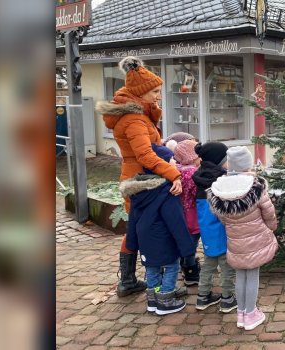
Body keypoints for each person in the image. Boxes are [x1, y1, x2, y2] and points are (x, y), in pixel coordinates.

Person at [96, 56, 182, 297]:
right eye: (154, 91)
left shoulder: (139, 115)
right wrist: (173, 174)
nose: (158, 96)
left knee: (135, 228)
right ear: (141, 93)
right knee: (141, 229)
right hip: (141, 181)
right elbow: (144, 155)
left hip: (139, 177)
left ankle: (128, 279)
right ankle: (134, 279)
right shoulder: (134, 119)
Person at [208, 146, 278, 331]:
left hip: (235, 239)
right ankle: (251, 314)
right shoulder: (256, 186)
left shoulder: (219, 188)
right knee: (252, 275)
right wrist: (271, 228)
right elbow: (269, 213)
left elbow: (221, 217)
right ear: (247, 164)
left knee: (240, 275)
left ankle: (240, 313)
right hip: (256, 238)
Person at [120, 144, 195, 316]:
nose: (175, 162)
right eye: (171, 160)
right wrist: (186, 246)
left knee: (152, 267)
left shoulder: (139, 191)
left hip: (146, 240)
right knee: (171, 265)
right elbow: (175, 220)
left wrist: (132, 242)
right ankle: (166, 300)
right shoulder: (167, 190)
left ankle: (153, 300)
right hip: (164, 238)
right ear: (160, 165)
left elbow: (133, 219)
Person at [192, 141, 238, 313]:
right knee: (227, 267)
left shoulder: (201, 176)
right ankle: (227, 298)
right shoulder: (221, 180)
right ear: (219, 161)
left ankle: (202, 297)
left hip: (207, 231)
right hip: (223, 231)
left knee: (208, 264)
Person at [172, 140, 202, 286]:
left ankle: (182, 265)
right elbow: (196, 193)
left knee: (183, 240)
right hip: (192, 213)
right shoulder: (192, 173)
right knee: (192, 242)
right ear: (191, 156)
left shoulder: (176, 170)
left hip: (180, 211)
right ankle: (190, 271)